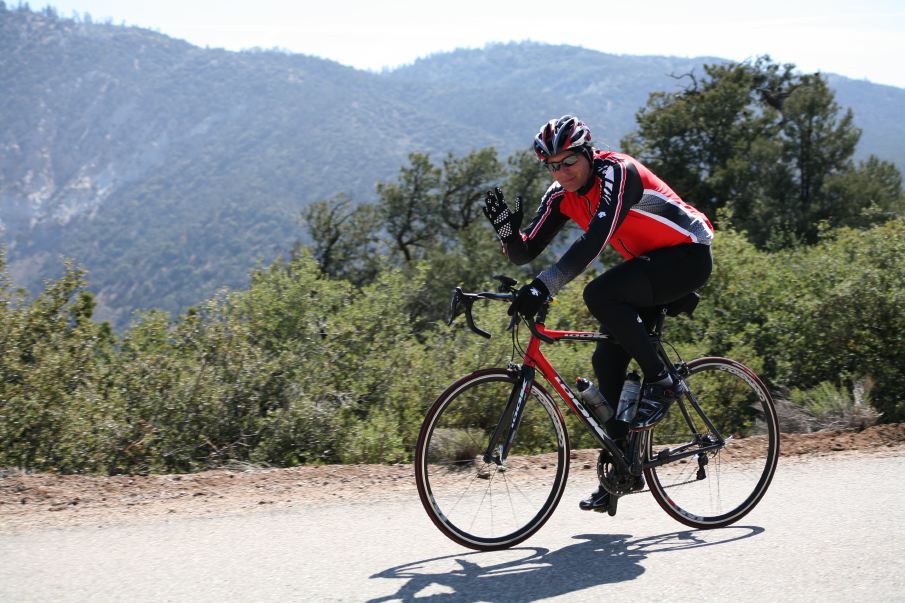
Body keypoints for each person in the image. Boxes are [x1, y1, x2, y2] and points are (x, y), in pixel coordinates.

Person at [483, 115, 714, 511]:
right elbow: (527, 250)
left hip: (687, 254)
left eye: (568, 161)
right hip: (647, 266)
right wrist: (508, 234)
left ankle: (663, 381)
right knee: (606, 359)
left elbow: (595, 241)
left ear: (588, 154)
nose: (562, 172)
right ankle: (621, 472)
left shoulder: (618, 173)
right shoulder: (561, 195)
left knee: (600, 294)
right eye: (552, 165)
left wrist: (544, 286)